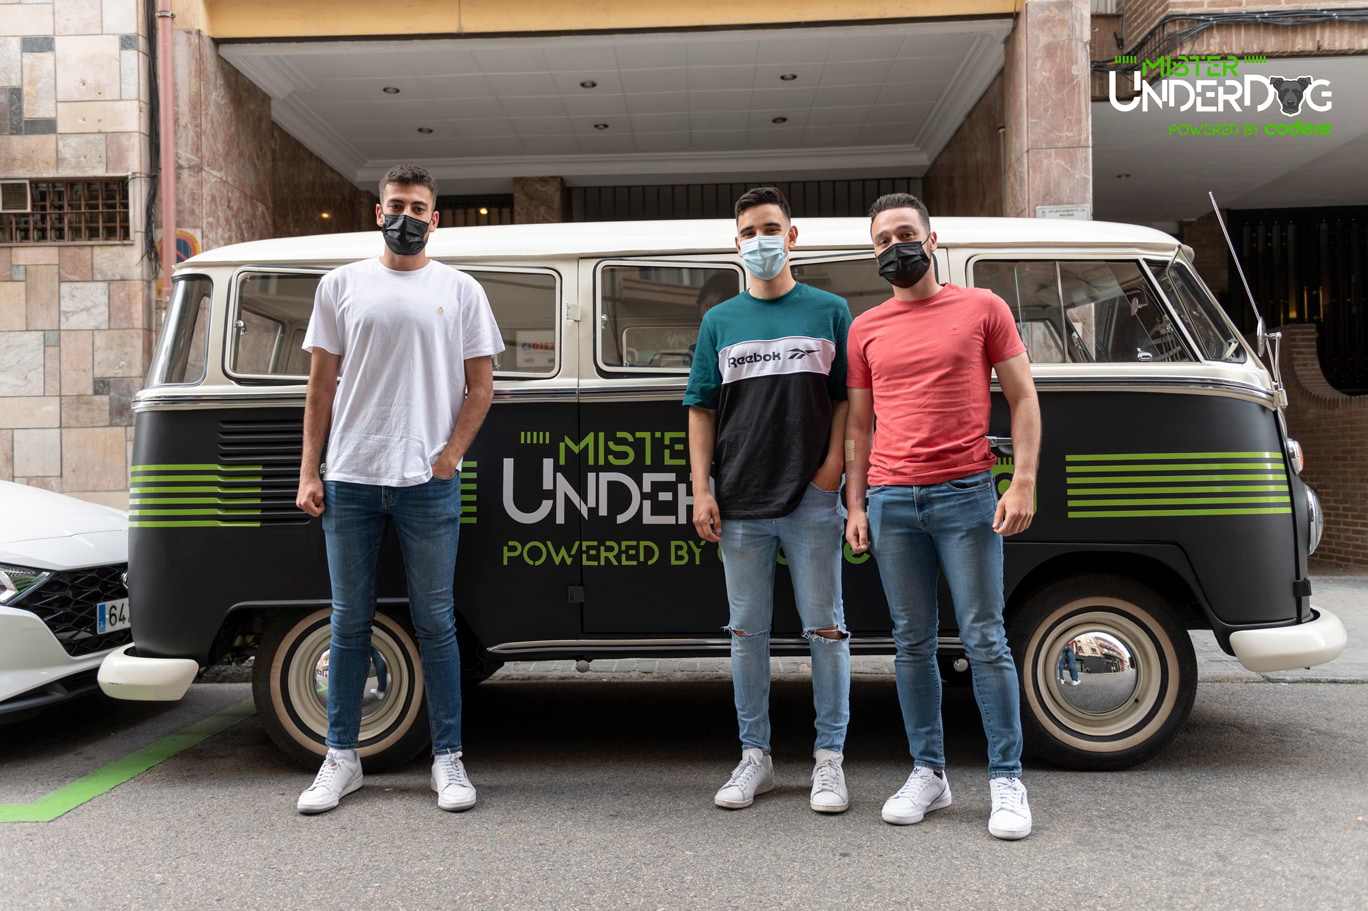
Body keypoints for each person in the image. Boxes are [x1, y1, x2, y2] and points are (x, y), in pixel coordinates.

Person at [293, 164, 504, 815]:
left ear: (434, 219)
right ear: (378, 210)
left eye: (417, 207)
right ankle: (340, 757)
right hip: (350, 476)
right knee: (349, 621)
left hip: (427, 484)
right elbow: (320, 385)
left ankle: (449, 758)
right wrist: (309, 469)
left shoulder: (460, 289)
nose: (405, 217)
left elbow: (482, 387)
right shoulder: (340, 284)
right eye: (396, 205)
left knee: (436, 621)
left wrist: (449, 458)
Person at [844, 193, 1042, 840]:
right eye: (882, 240)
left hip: (966, 494)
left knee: (985, 638)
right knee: (911, 643)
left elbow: (1023, 397)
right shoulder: (864, 328)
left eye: (905, 233)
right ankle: (928, 771)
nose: (893, 247)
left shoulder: (983, 308)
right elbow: (859, 426)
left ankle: (1006, 778)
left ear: (931, 240)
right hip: (891, 500)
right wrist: (856, 502)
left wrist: (1022, 483)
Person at [685, 187, 853, 814]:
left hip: (812, 497)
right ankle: (755, 756)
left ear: (792, 235)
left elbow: (848, 398)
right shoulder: (719, 320)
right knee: (746, 632)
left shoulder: (831, 310)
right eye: (750, 231)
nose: (762, 240)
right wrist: (702, 488)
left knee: (826, 630)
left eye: (771, 228)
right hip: (739, 498)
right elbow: (701, 409)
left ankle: (829, 760)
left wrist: (832, 470)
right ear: (737, 244)